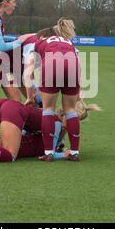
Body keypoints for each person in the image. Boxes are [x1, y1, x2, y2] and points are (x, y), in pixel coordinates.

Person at [25, 19, 82, 162]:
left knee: (48, 109)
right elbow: (78, 63)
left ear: (42, 36)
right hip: (73, 66)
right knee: (70, 110)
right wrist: (78, 89)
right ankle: (75, 153)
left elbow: (28, 71)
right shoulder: (68, 42)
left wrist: (29, 96)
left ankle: (49, 152)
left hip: (52, 65)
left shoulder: (39, 42)